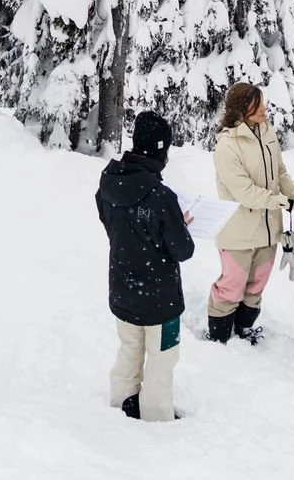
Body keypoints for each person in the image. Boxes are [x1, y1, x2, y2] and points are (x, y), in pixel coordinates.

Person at [97, 109, 196, 422]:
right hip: (161, 301)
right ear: (160, 150)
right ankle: (155, 417)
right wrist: (179, 224)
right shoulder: (160, 197)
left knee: (129, 349)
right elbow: (183, 250)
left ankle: (121, 404)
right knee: (162, 358)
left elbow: (111, 221)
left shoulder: (109, 184)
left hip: (123, 289)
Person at [206, 82, 294, 344]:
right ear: (240, 109)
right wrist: (286, 203)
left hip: (269, 229)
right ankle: (219, 337)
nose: (264, 109)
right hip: (238, 233)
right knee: (232, 286)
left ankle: (243, 329)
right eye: (257, 104)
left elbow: (280, 173)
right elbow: (245, 192)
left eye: (262, 102)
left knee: (256, 286)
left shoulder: (266, 131)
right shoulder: (227, 146)